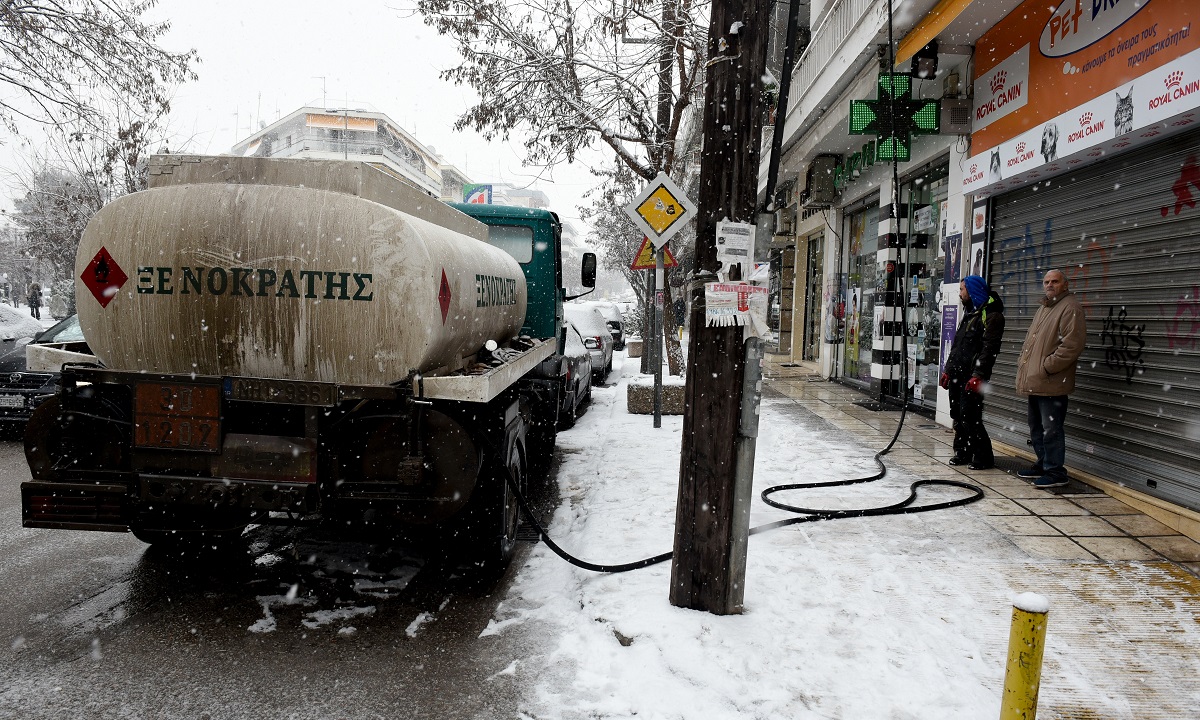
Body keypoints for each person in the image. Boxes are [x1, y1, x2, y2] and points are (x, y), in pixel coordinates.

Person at [1015, 269, 1087, 489]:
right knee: (1036, 426)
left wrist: (1045, 367)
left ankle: (1055, 471)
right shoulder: (1045, 307)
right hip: (1038, 381)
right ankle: (1043, 463)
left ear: (1065, 284)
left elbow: (1071, 346)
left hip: (1052, 383)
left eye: (1055, 281)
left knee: (1051, 429)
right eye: (1046, 281)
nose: (1049, 285)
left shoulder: (1070, 307)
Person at [940, 275, 1004, 470]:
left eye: (962, 290)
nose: (960, 294)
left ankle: (983, 456)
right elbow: (958, 346)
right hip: (958, 374)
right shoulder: (970, 313)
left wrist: (978, 376)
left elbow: (988, 350)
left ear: (972, 290)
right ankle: (962, 452)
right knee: (958, 414)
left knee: (970, 416)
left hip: (973, 375)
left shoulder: (992, 316)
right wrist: (948, 371)